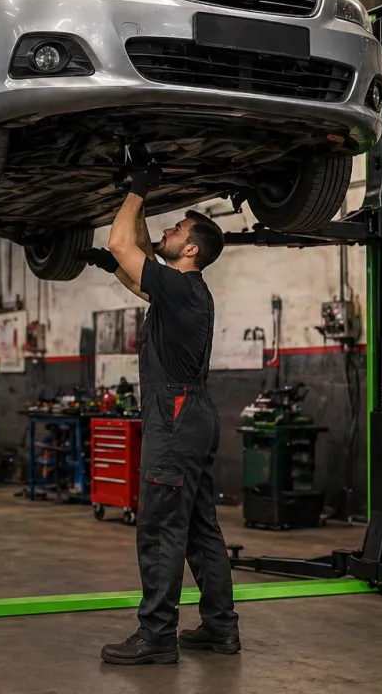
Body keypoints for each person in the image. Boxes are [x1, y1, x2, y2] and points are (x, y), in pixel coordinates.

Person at [81, 164, 240, 665]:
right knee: (198, 529)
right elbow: (138, 273)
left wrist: (139, 187)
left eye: (177, 231)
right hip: (190, 414)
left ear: (191, 249)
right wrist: (115, 268)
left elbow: (123, 244)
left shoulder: (183, 287)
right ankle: (220, 629)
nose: (169, 232)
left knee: (161, 529)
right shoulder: (183, 292)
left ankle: (156, 637)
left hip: (173, 418)